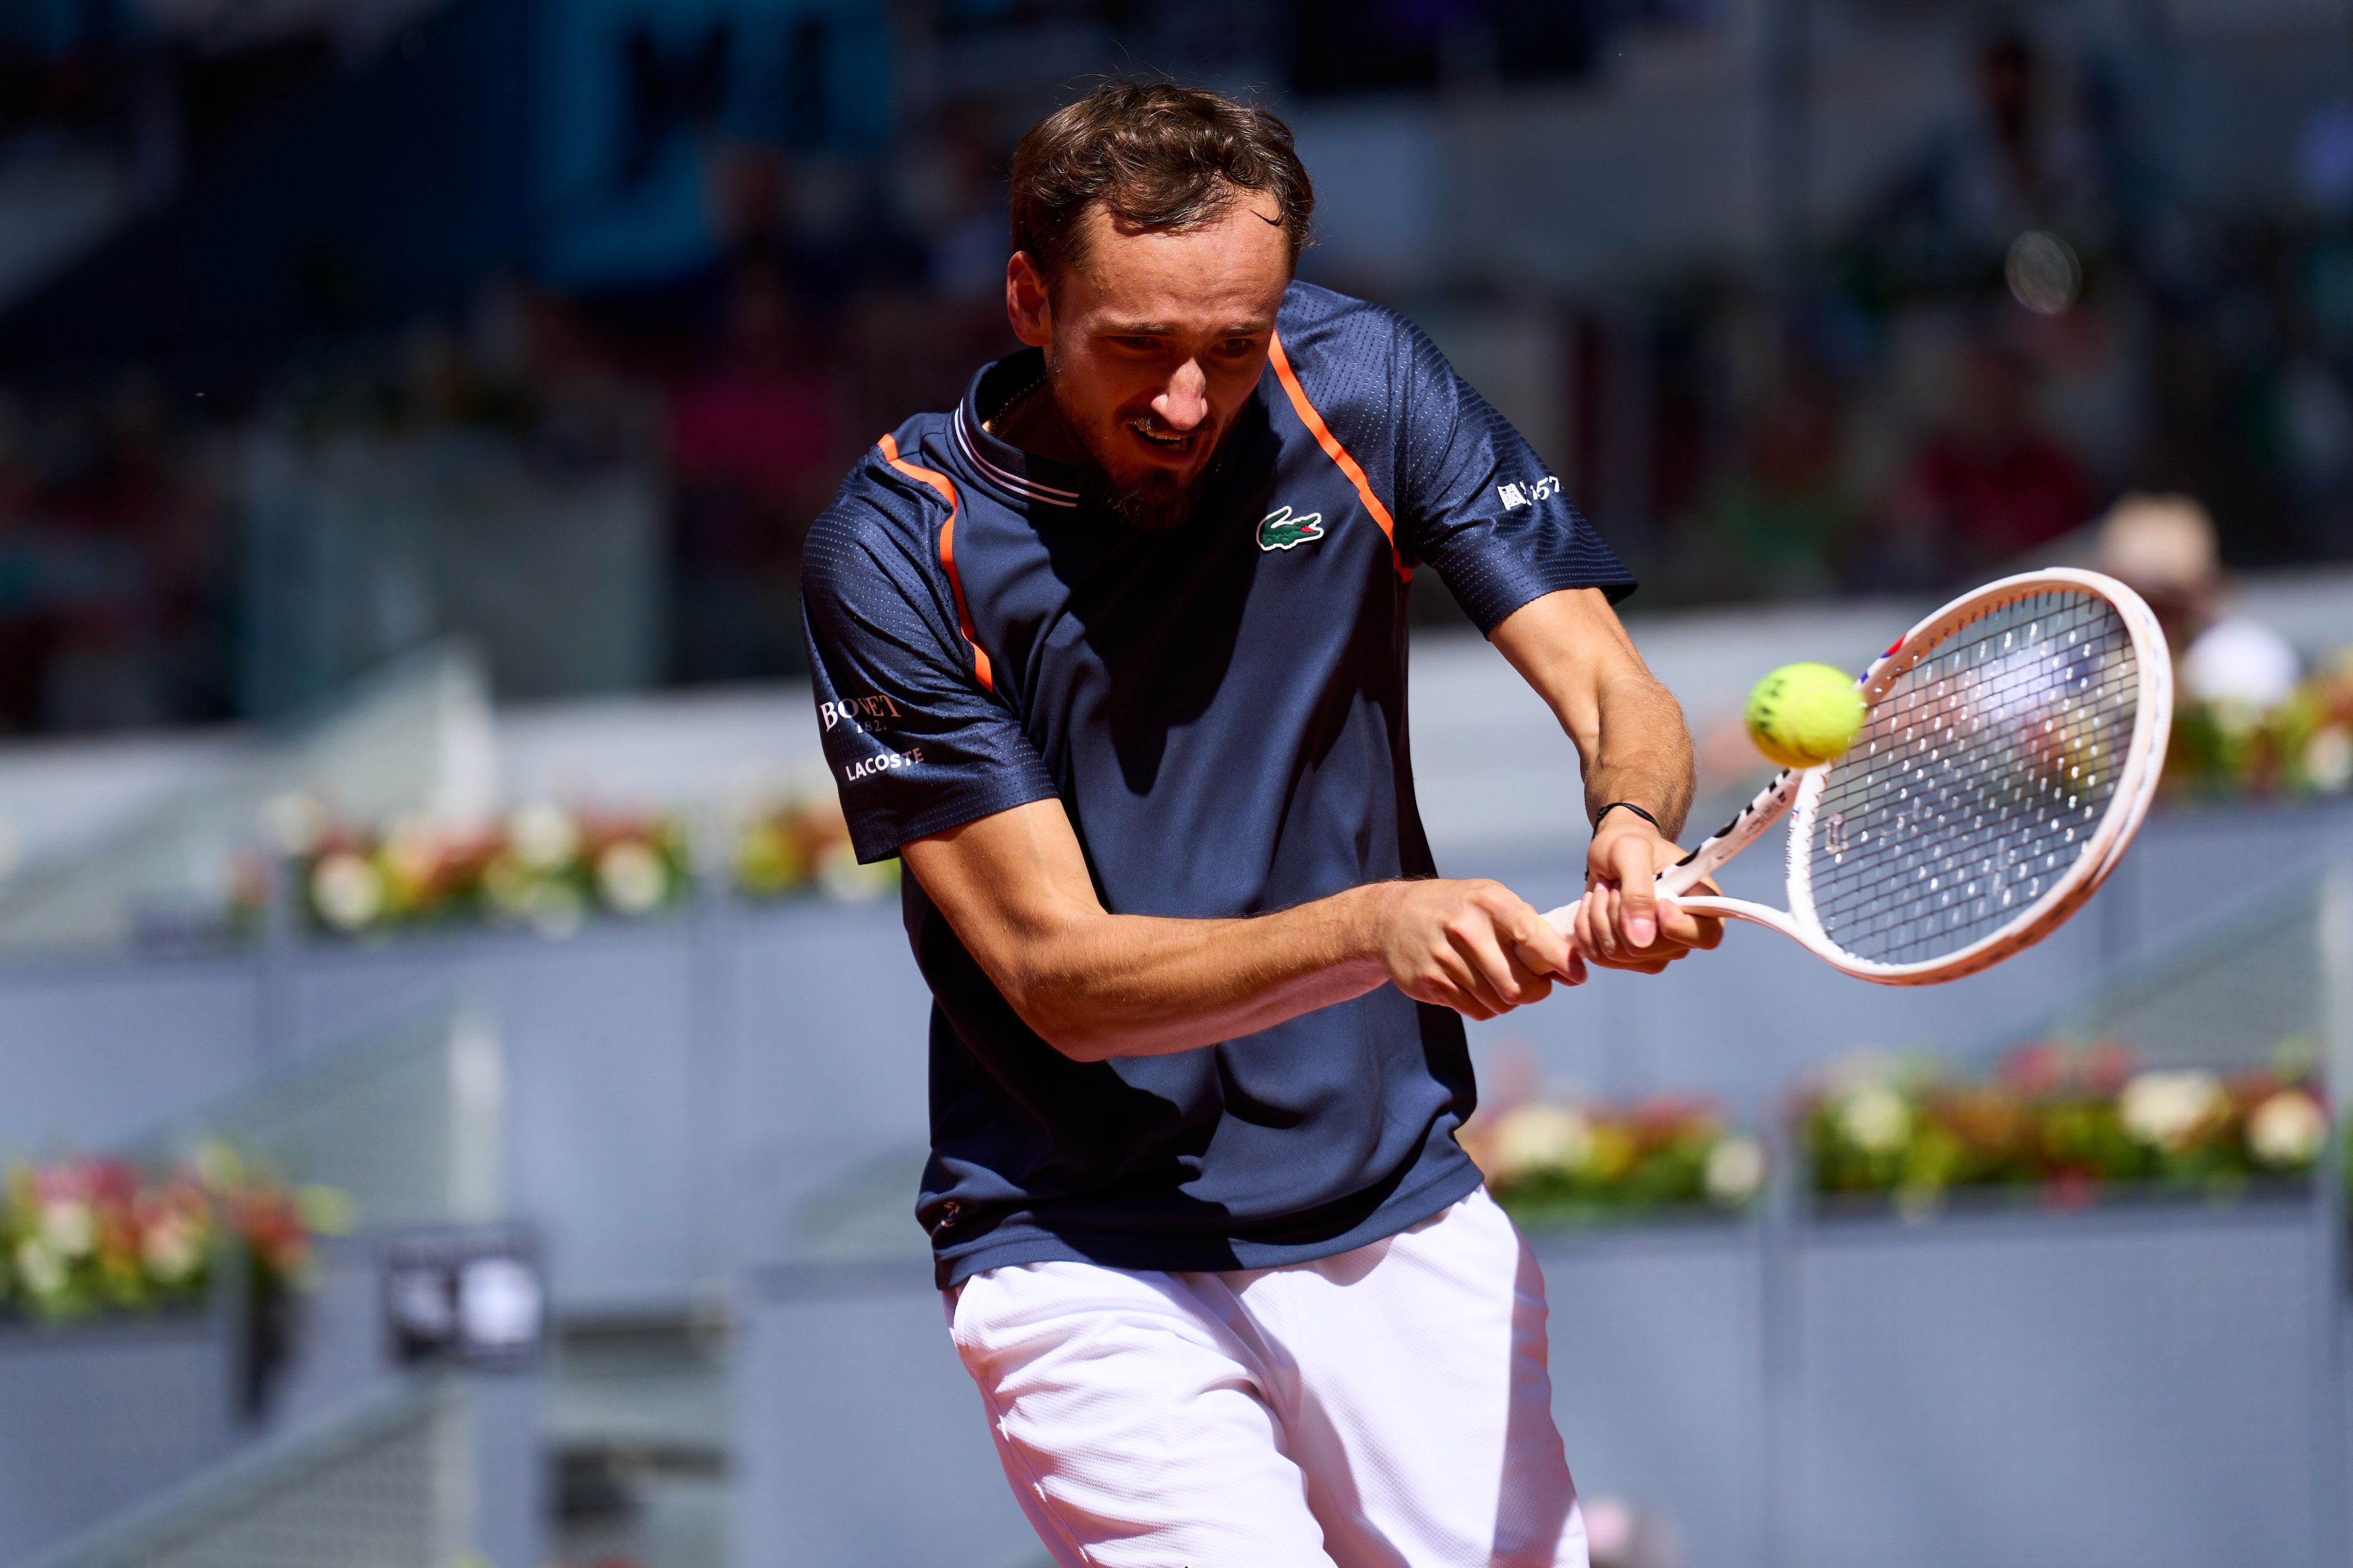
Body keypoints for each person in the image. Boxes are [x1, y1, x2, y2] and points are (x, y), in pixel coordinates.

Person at [801, 83, 1718, 1568]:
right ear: (1031, 296)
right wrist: (1375, 928)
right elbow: (1059, 974)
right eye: (1139, 347)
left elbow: (1620, 688)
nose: (1187, 400)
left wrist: (1630, 821)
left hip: (1393, 1206)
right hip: (1080, 1246)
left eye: (1234, 346)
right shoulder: (900, 547)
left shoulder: (1358, 385)